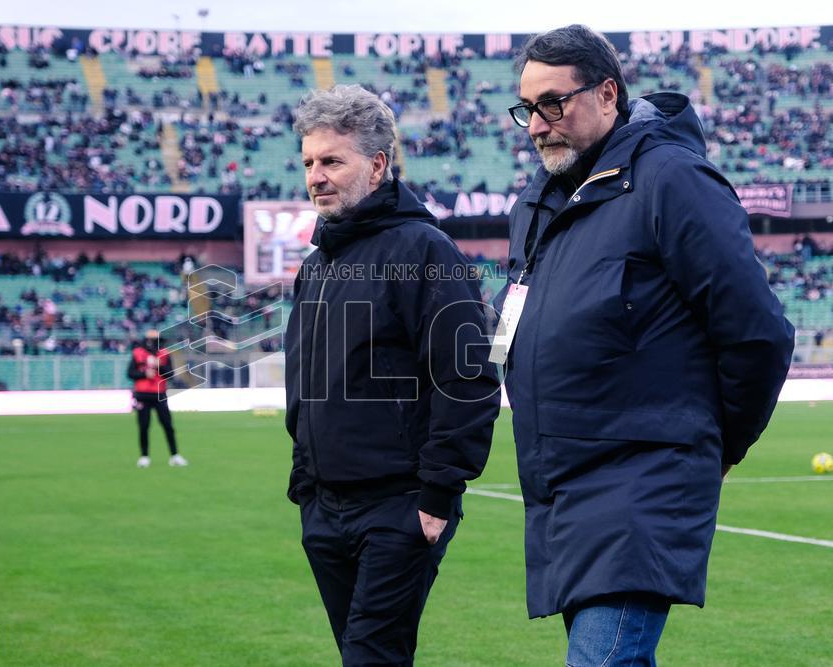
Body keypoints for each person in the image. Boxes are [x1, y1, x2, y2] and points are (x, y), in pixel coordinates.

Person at [497, 25, 795, 665]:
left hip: (643, 482)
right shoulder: (539, 205)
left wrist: (721, 443)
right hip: (562, 491)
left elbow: (758, 330)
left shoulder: (670, 179)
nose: (537, 125)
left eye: (555, 103)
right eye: (528, 108)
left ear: (608, 94)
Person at [285, 84, 501, 666]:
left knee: (371, 658)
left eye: (332, 160)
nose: (316, 176)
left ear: (376, 164)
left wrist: (436, 494)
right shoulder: (316, 267)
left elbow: (467, 378)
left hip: (399, 507)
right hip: (325, 509)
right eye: (308, 162)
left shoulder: (425, 249)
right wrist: (305, 485)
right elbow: (304, 382)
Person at [128, 329, 186, 468]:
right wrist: (143, 374)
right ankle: (144, 457)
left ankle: (175, 456)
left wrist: (159, 366)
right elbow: (130, 373)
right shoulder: (137, 353)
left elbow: (170, 374)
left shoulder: (164, 354)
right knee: (144, 426)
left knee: (168, 426)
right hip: (142, 395)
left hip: (159, 394)